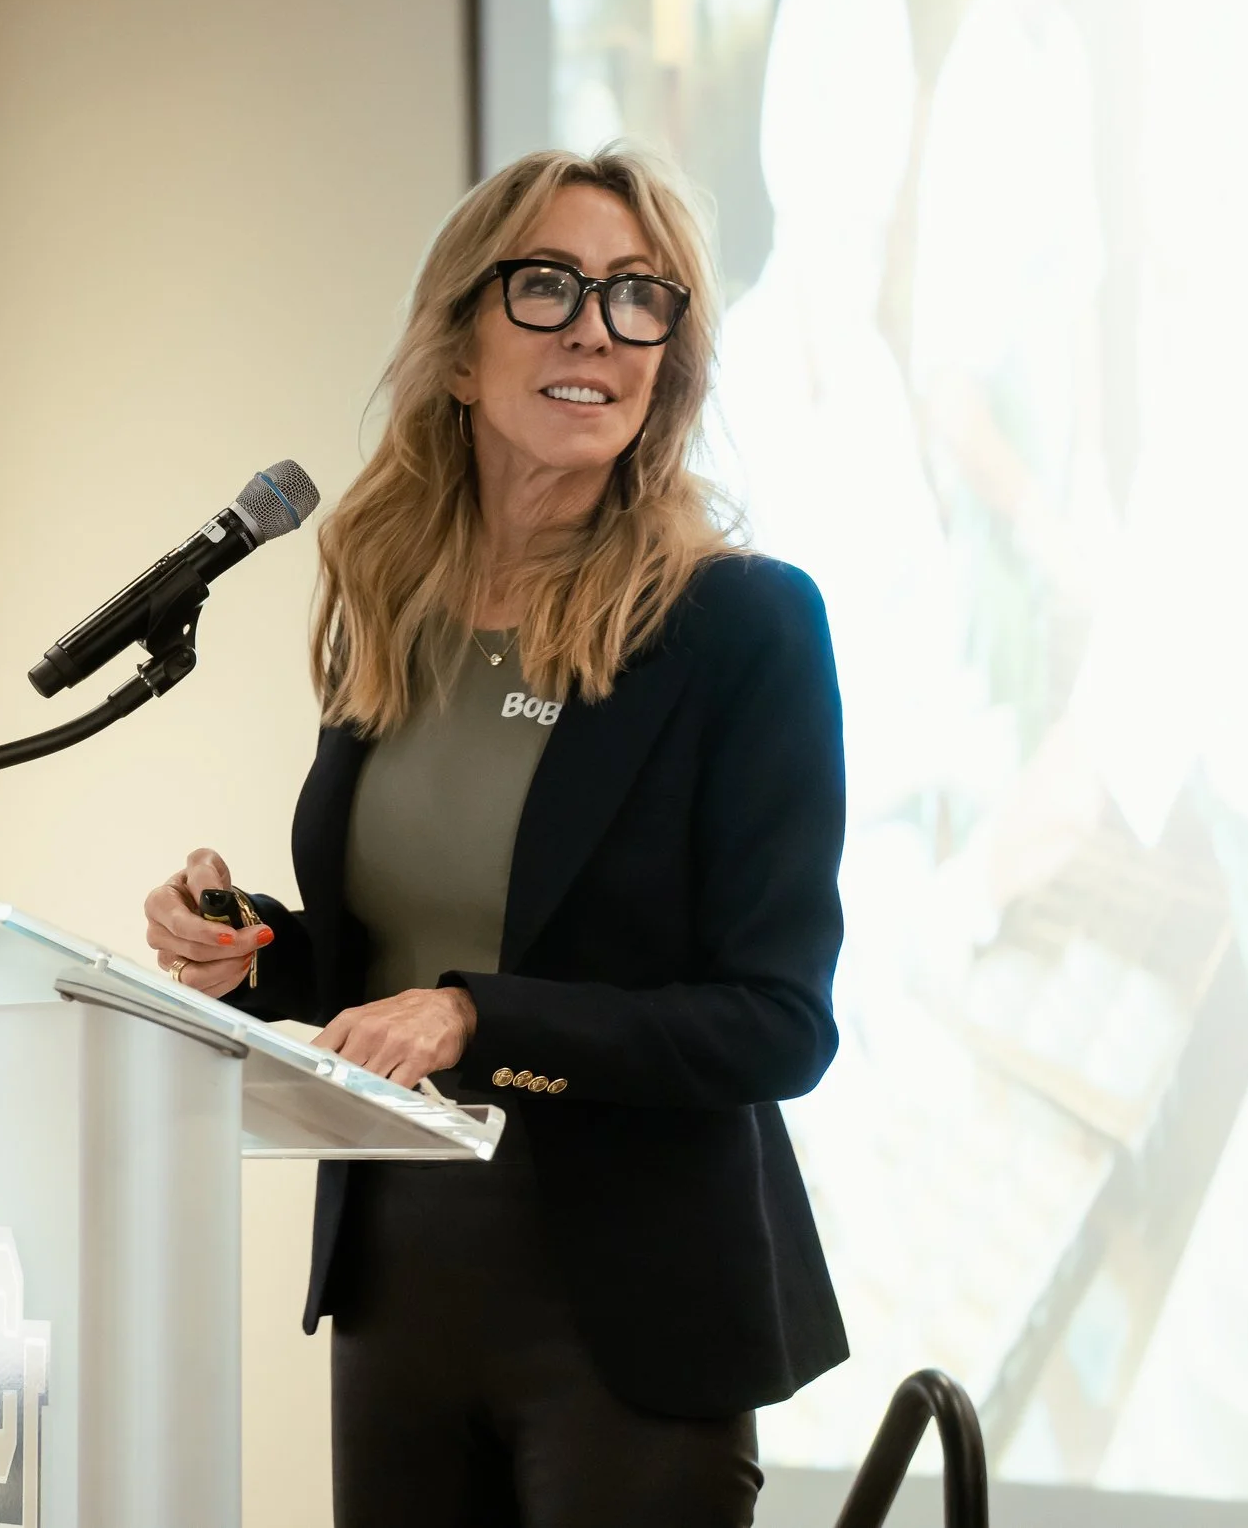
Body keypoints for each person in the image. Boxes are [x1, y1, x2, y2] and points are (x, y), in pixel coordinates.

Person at [143, 146, 849, 1527]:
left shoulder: (741, 627)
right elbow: (393, 959)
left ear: (668, 362)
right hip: (400, 1289)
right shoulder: (395, 605)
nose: (597, 328)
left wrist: (476, 1016)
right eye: (549, 286)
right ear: (460, 350)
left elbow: (778, 1023)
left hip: (632, 1317)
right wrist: (256, 951)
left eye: (638, 296)